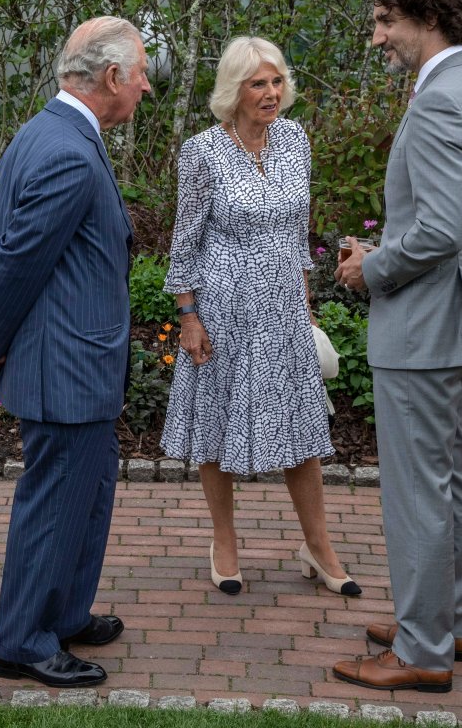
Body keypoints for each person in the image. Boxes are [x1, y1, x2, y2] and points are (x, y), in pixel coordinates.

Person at [0, 16, 151, 688]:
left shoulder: (43, 134)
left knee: (86, 494)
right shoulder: (65, 149)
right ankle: (24, 643)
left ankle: (64, 613)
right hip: (66, 367)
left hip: (74, 363)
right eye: (143, 73)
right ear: (114, 77)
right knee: (57, 500)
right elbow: (13, 260)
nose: (147, 87)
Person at [332, 0, 462, 693]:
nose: (378, 38)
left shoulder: (440, 100)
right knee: (453, 480)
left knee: (420, 489)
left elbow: (436, 230)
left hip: (429, 324)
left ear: (426, 17)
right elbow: (457, 223)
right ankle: (449, 622)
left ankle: (421, 650)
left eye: (386, 22)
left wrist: (371, 268)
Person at [160, 36, 360, 600]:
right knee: (218, 425)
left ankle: (318, 548)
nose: (271, 94)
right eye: (258, 84)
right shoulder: (203, 151)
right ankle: (224, 543)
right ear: (234, 90)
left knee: (301, 428)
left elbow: (299, 231)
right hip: (222, 307)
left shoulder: (296, 139)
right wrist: (189, 316)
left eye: (276, 82)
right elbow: (185, 239)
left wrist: (304, 305)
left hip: (283, 308)